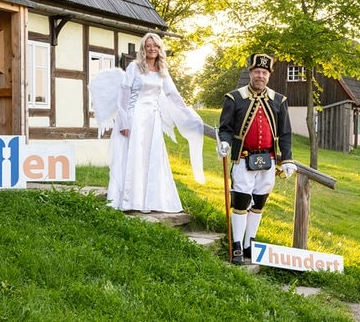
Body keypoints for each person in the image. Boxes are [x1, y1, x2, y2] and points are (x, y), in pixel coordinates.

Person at [106, 33, 205, 213]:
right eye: (148, 45)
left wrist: (189, 115)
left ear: (160, 49)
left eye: (155, 46)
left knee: (152, 158)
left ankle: (150, 200)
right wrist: (124, 122)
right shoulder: (134, 67)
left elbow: (173, 96)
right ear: (143, 48)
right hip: (135, 116)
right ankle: (131, 200)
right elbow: (124, 95)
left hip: (153, 118)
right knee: (135, 157)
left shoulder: (162, 71)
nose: (152, 48)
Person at [217, 53, 297, 265]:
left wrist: (287, 159)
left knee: (259, 201)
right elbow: (225, 128)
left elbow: (285, 133)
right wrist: (224, 142)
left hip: (268, 160)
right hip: (243, 159)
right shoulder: (234, 98)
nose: (260, 76)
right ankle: (236, 247)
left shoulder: (279, 101)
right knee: (241, 201)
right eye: (256, 72)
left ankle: (248, 244)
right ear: (250, 73)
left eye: (264, 72)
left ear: (268, 76)